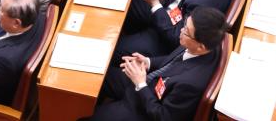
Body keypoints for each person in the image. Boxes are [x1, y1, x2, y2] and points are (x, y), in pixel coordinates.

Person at [91, 8, 226, 121]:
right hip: (148, 84)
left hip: (144, 110)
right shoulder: (200, 44)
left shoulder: (190, 85)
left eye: (186, 31)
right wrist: (148, 62)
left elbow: (162, 116)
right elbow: (173, 61)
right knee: (99, 75)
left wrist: (140, 83)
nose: (181, 30)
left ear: (201, 47)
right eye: (184, 24)